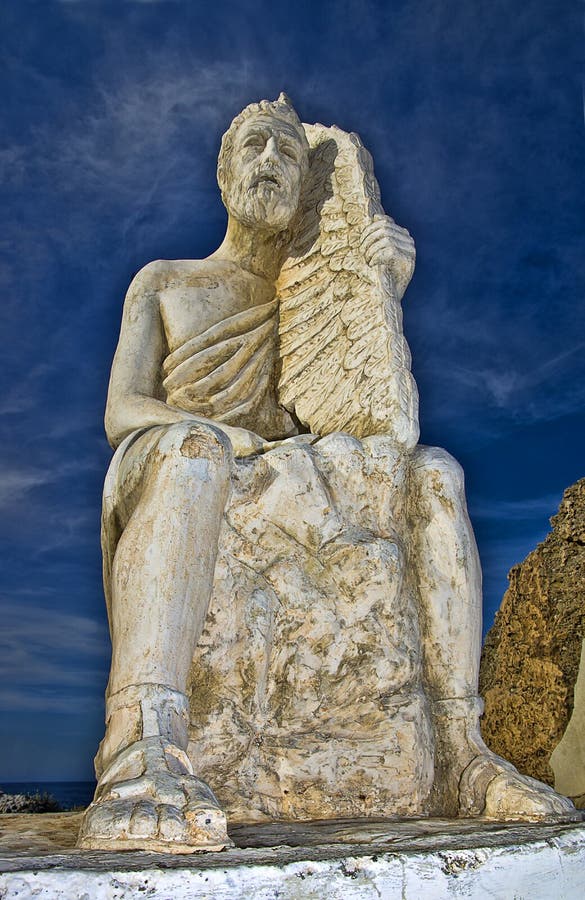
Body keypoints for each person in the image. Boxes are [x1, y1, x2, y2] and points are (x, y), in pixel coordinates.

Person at [78, 96, 575, 854]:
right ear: (223, 172)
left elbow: (351, 411)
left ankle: (460, 752)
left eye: (287, 152)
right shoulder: (167, 280)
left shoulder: (312, 298)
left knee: (435, 472)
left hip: (282, 474)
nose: (270, 163)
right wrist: (221, 434)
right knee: (194, 452)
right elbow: (123, 410)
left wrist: (380, 290)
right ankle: (143, 741)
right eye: (254, 146)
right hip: (176, 462)